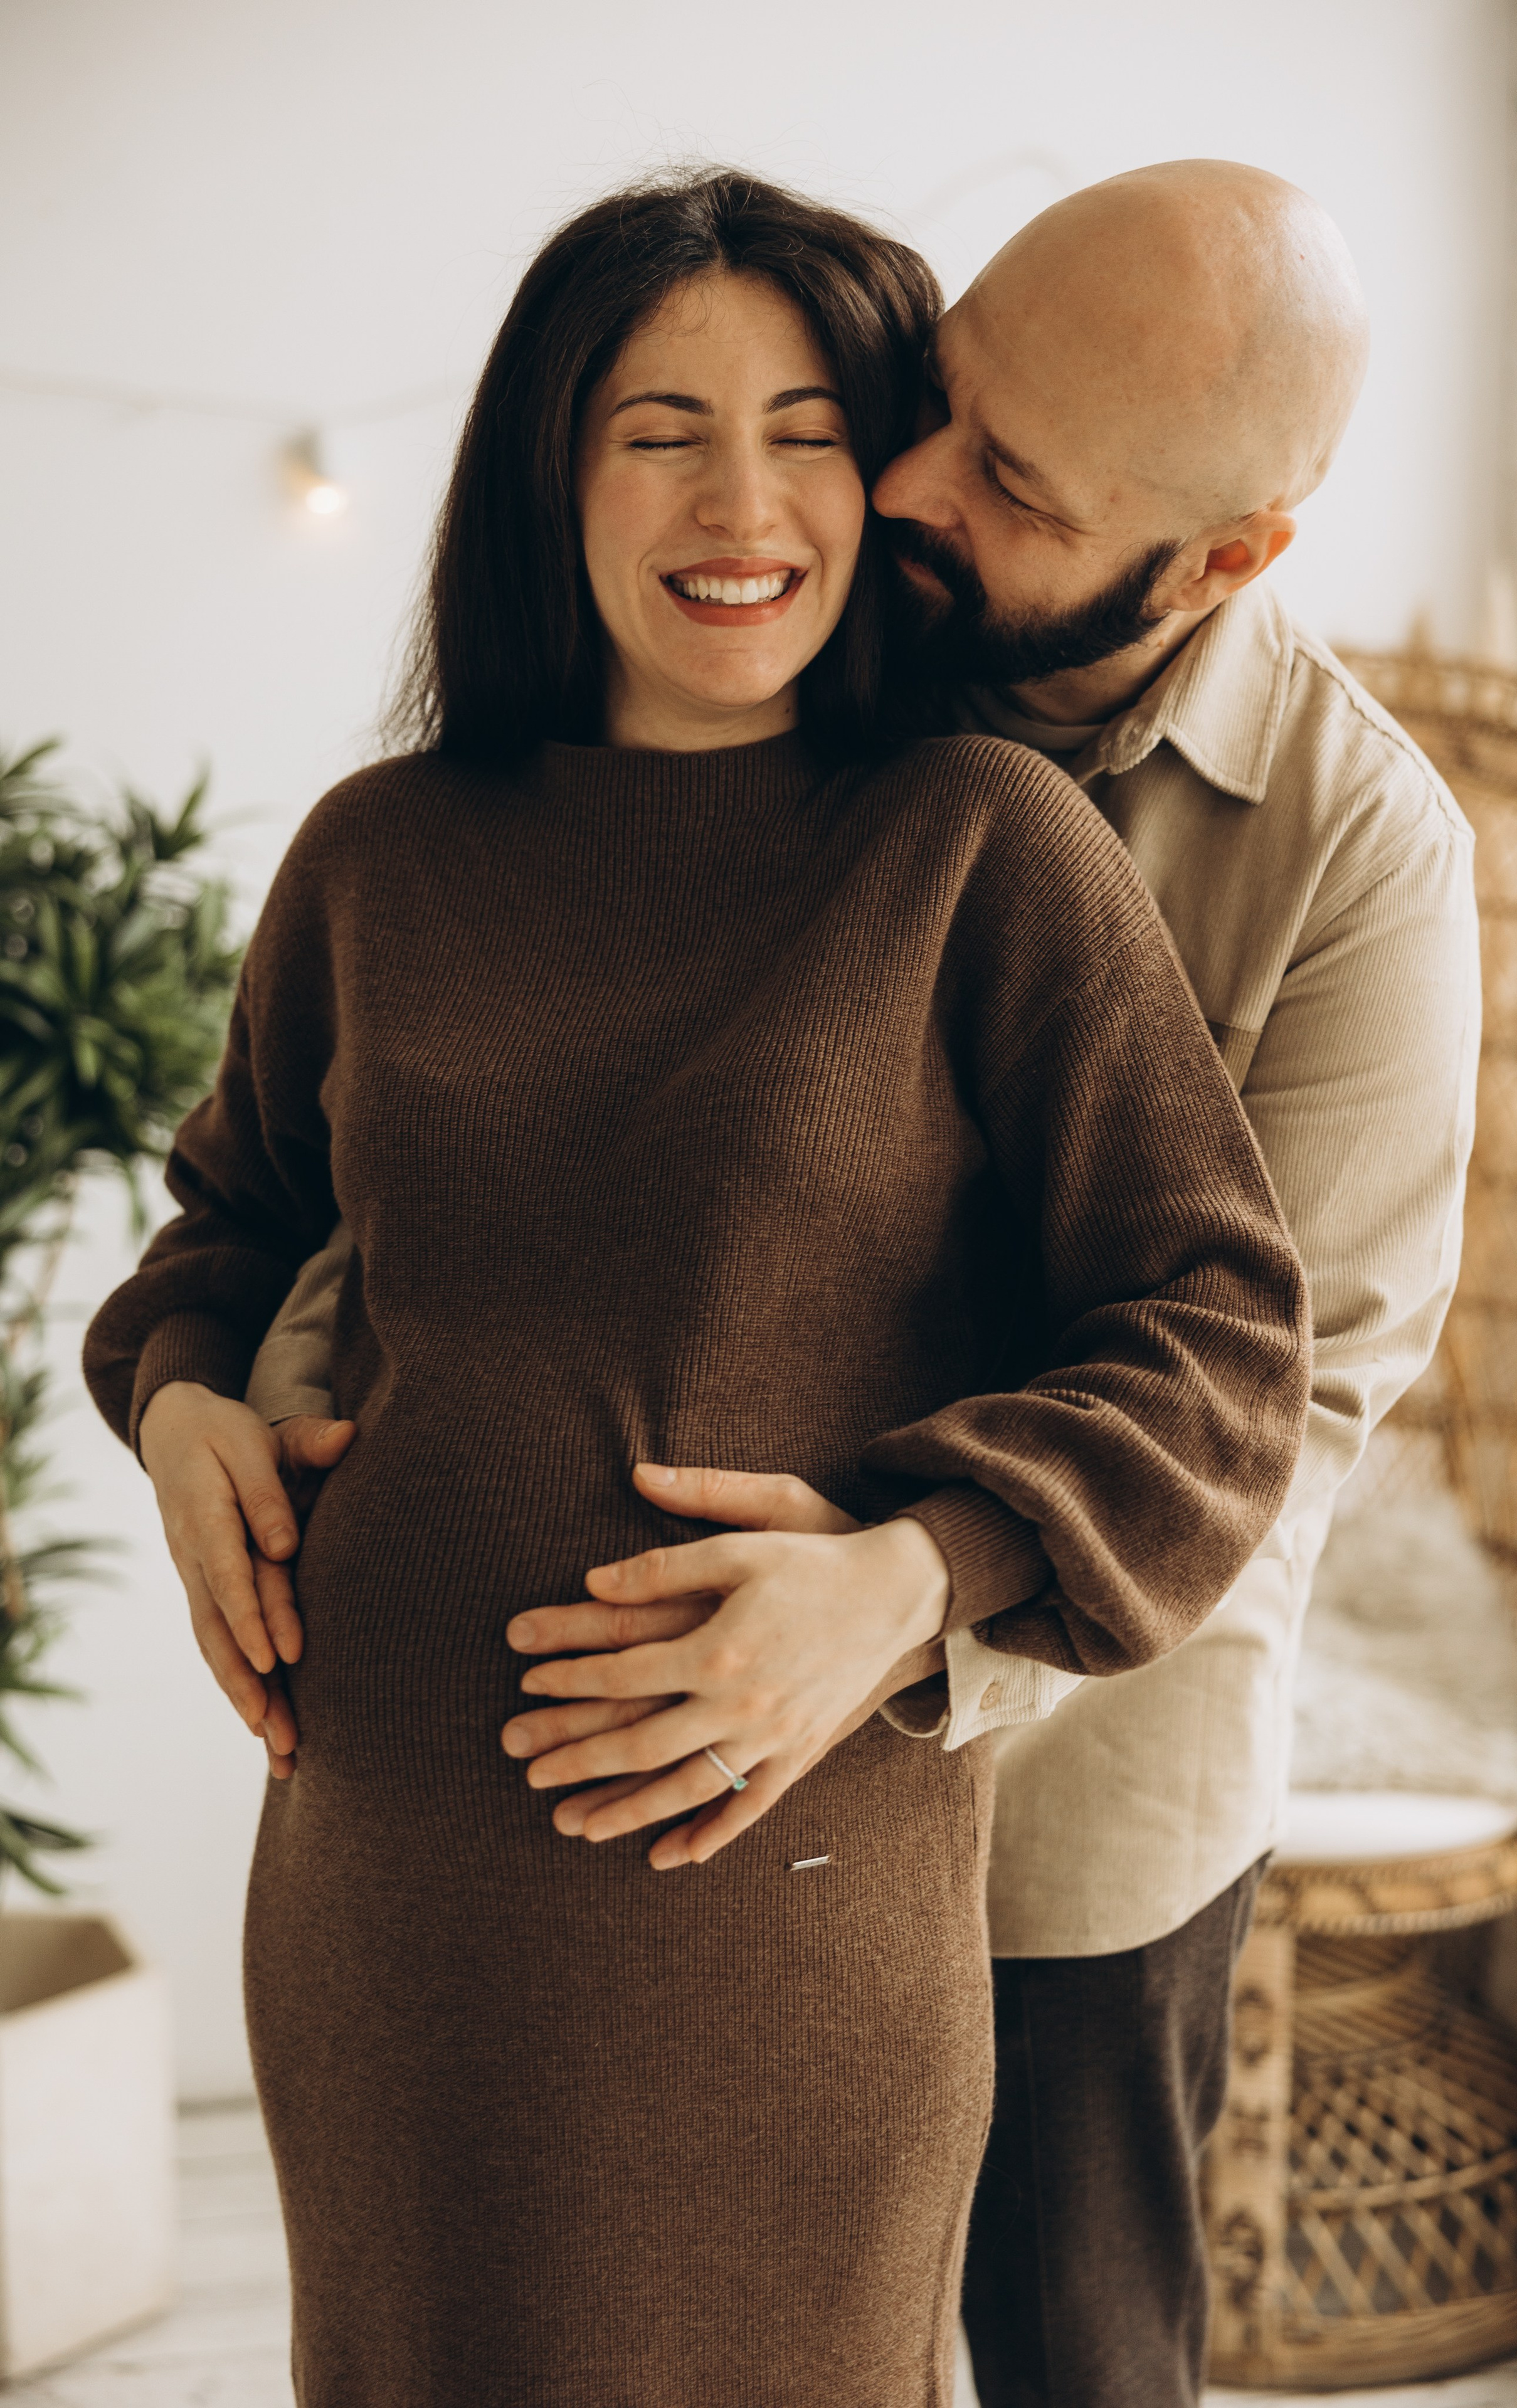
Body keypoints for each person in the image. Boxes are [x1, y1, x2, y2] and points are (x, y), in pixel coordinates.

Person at [83, 171, 1312, 2408]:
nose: (738, 497)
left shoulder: (978, 849)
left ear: (886, 474)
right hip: (383, 1904)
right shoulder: (382, 856)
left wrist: (918, 1572)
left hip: (784, 1913)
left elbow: (1221, 1330)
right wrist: (181, 1410)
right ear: (550, 470)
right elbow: (223, 1232)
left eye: (808, 424)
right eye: (657, 425)